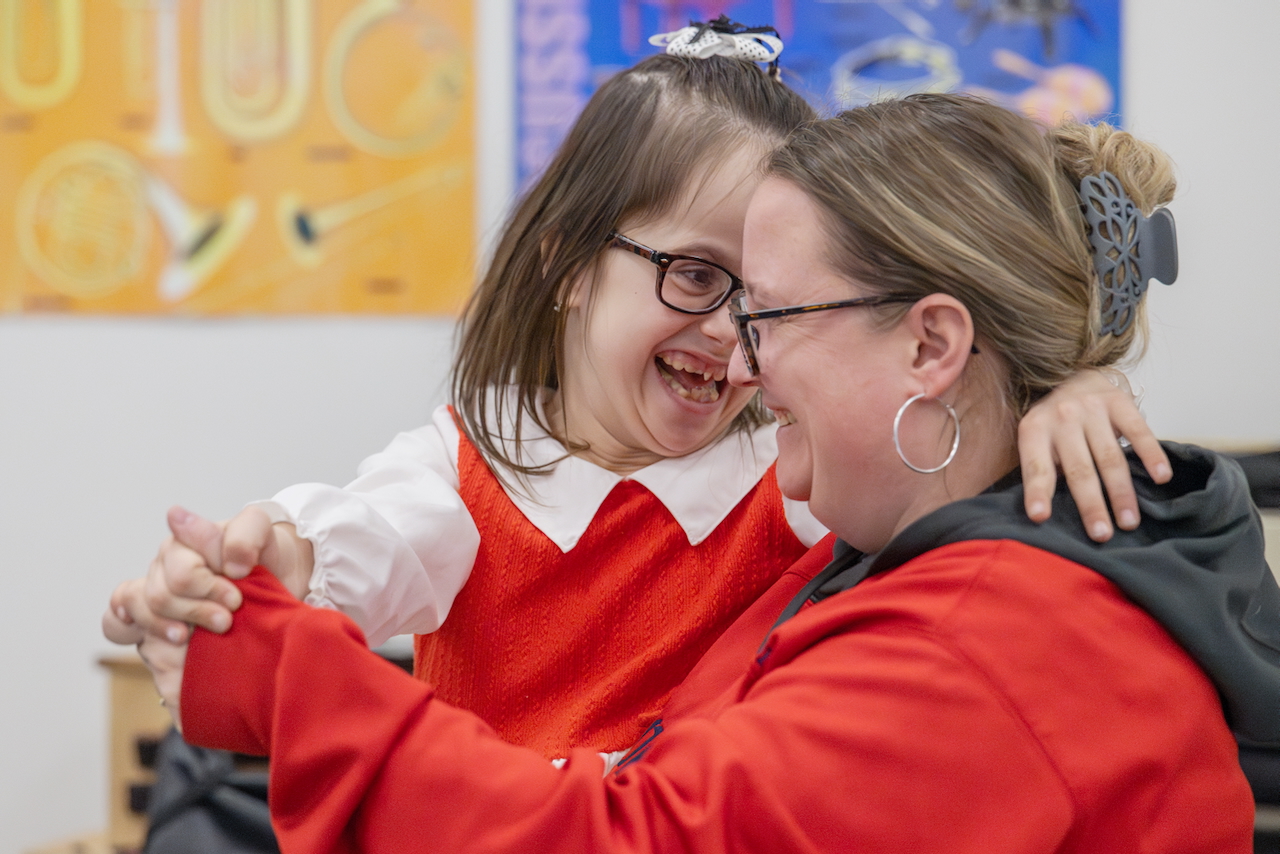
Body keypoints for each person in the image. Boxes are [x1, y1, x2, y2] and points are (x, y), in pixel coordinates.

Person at [134, 94, 1280, 852]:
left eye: (768, 309)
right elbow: (372, 531)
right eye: (703, 287)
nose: (740, 354)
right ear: (565, 268)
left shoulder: (970, 629)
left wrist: (278, 670)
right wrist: (261, 579)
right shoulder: (887, 543)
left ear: (932, 346)